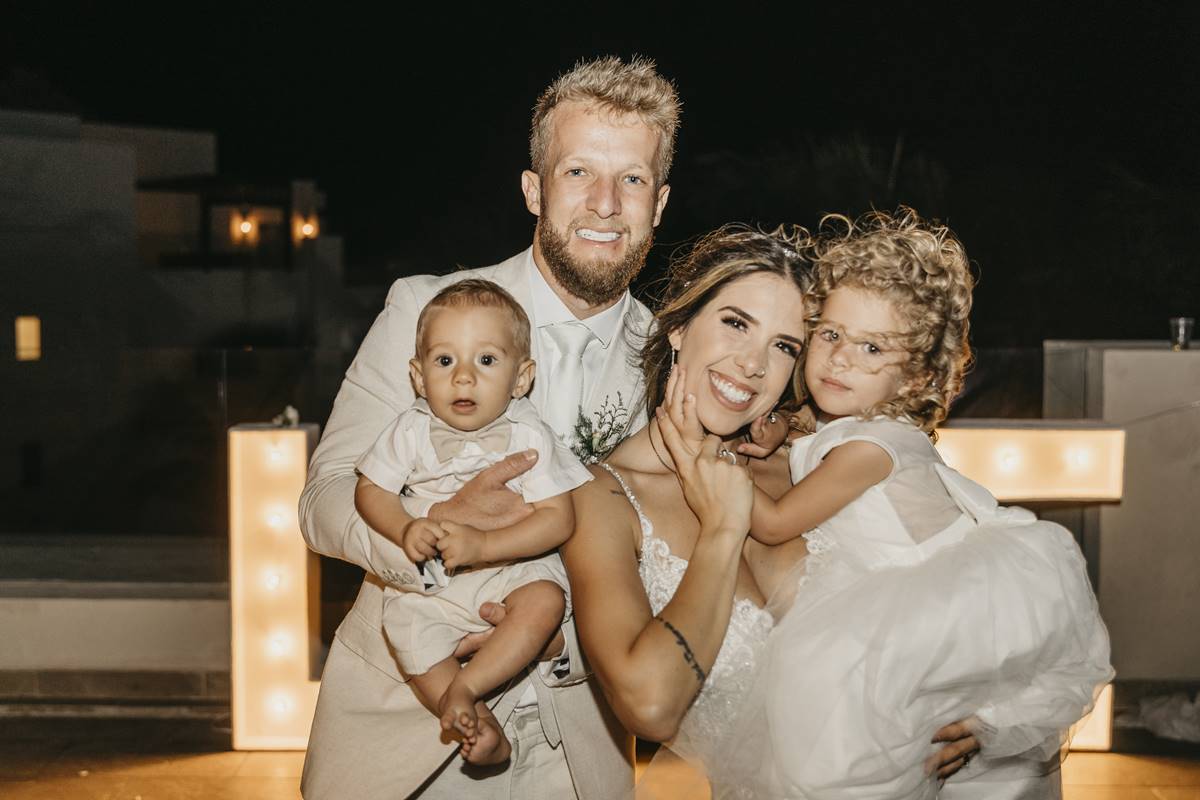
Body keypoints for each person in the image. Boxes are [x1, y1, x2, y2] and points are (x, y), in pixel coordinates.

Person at [299, 55, 681, 800]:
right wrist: (433, 539)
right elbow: (323, 501)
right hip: (404, 738)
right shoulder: (424, 308)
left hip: (583, 746)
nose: (605, 203)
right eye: (579, 173)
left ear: (660, 203)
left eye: (631, 179)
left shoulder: (681, 358)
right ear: (534, 189)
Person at [563, 225, 983, 800]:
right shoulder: (604, 498)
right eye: (736, 323)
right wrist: (723, 527)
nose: (754, 364)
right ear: (680, 328)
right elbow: (652, 706)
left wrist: (983, 703)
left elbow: (956, 577)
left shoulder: (813, 462)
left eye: (785, 346)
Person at [720, 208, 1114, 798]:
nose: (841, 358)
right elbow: (803, 430)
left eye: (872, 347)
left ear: (913, 378)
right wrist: (779, 427)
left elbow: (776, 523)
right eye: (830, 334)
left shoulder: (871, 447)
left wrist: (716, 464)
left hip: (934, 613)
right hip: (910, 616)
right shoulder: (851, 426)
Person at [354, 279, 593, 763]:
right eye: (445, 361)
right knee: (406, 628)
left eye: (486, 361)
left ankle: (465, 690)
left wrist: (485, 545)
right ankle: (476, 725)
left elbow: (557, 519)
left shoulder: (528, 434)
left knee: (545, 599)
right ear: (419, 378)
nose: (463, 378)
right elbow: (369, 491)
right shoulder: (410, 429)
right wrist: (405, 527)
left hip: (510, 569)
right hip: (436, 583)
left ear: (521, 378)